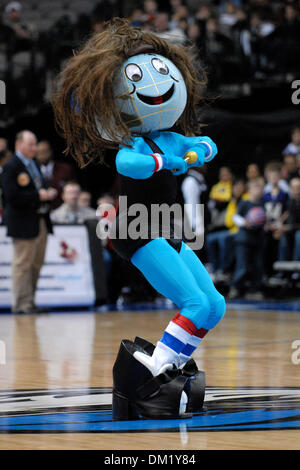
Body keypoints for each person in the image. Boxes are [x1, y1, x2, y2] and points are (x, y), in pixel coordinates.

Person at [52, 18, 226, 419]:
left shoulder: (171, 135)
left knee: (214, 305)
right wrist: (167, 161)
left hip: (170, 229)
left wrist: (198, 152)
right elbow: (130, 164)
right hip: (138, 231)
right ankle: (158, 367)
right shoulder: (133, 142)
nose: (154, 85)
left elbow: (208, 143)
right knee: (195, 302)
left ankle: (176, 363)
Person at [1, 130, 57, 314]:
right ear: (19, 145)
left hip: (39, 218)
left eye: (35, 144)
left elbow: (37, 185)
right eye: (31, 144)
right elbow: (10, 195)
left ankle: (30, 302)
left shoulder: (33, 163)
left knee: (36, 263)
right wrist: (37, 195)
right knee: (22, 263)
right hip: (22, 221)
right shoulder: (11, 165)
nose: (35, 148)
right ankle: (21, 304)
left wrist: (47, 192)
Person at [228, 178, 266, 300]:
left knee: (257, 265)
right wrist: (245, 222)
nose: (258, 191)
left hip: (257, 240)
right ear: (249, 190)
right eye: (256, 188)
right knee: (242, 265)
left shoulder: (261, 204)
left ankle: (254, 289)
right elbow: (235, 217)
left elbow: (263, 219)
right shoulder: (245, 203)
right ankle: (235, 288)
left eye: (260, 188)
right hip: (243, 240)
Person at [35, 140, 76, 209]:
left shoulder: (65, 169)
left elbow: (73, 188)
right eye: (38, 152)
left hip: (62, 210)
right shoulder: (32, 170)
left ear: (51, 152)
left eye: (45, 151)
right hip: (39, 210)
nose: (42, 155)